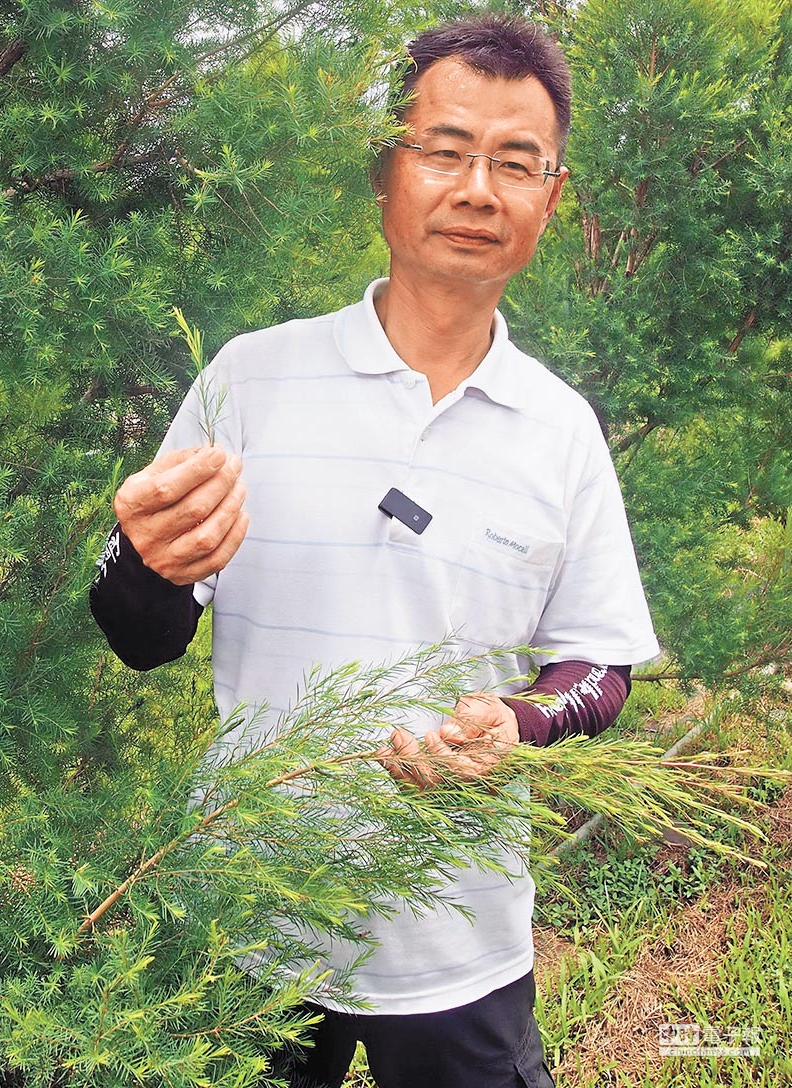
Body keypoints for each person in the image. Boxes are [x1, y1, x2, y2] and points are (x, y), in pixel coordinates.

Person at [91, 14, 659, 1088]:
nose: (477, 188)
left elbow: (600, 663)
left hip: (459, 932)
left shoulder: (560, 428)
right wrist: (143, 559)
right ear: (384, 170)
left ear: (552, 196)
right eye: (443, 150)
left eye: (514, 162)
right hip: (247, 921)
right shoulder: (251, 381)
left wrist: (519, 718)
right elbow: (142, 637)